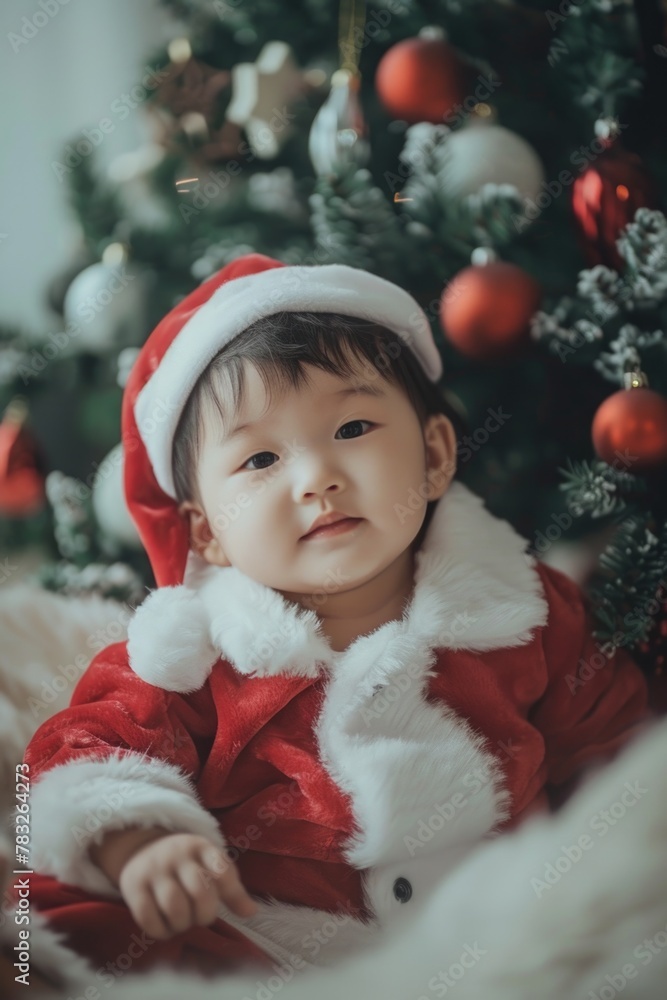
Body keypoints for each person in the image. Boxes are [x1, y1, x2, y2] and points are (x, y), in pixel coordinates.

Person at [13, 253, 651, 978]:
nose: (316, 477)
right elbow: (79, 751)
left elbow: (611, 751)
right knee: (52, 913)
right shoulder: (184, 655)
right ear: (206, 533)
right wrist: (139, 844)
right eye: (258, 460)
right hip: (272, 948)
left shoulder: (528, 610)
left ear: (437, 454)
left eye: (352, 428)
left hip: (499, 929)